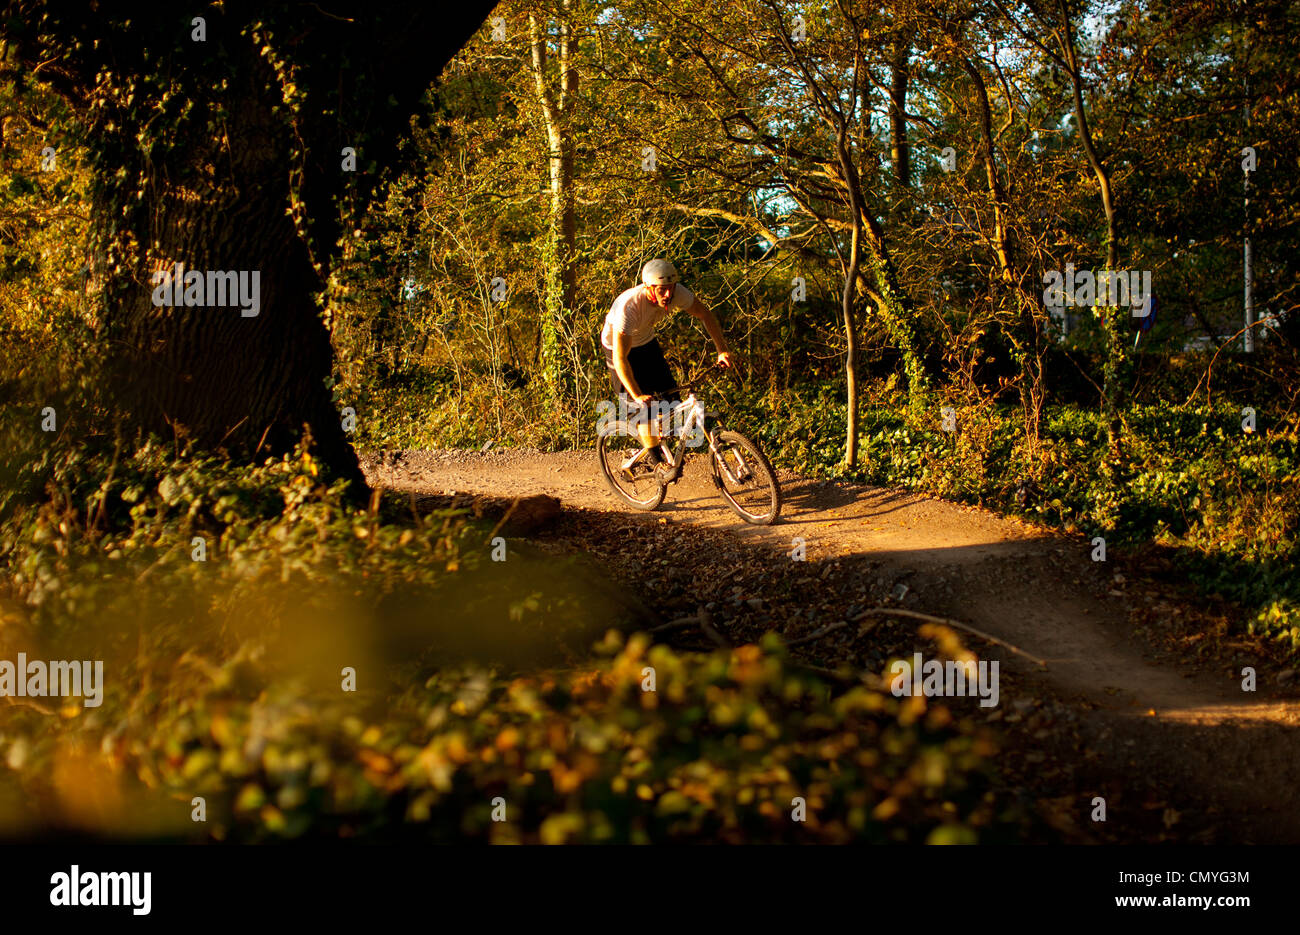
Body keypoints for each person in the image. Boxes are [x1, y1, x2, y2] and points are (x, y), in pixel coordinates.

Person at [600, 258, 733, 471]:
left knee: (671, 400)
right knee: (643, 410)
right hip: (618, 350)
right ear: (648, 288)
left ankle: (656, 438)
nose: (668, 295)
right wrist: (637, 395)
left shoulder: (677, 293)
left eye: (670, 288)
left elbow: (705, 314)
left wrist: (721, 349)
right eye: (662, 290)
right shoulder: (629, 307)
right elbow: (620, 359)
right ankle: (657, 462)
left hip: (646, 342)